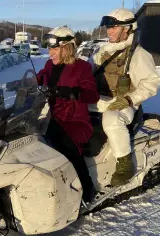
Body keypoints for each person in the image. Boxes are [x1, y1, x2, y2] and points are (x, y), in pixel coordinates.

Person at [89, 9, 160, 186]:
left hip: (125, 103)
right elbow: (86, 72)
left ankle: (124, 164)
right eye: (108, 27)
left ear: (127, 28)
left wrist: (129, 99)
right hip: (100, 100)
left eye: (113, 27)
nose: (109, 31)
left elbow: (151, 84)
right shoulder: (103, 51)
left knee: (111, 121)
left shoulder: (138, 55)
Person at [38, 27, 100, 203]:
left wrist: (74, 93)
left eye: (54, 48)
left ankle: (87, 187)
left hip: (76, 122)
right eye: (49, 49)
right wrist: (19, 84)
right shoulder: (50, 65)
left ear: (66, 47)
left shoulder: (82, 67)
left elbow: (92, 94)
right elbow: (40, 77)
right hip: (53, 117)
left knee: (64, 144)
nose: (50, 53)